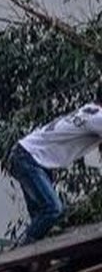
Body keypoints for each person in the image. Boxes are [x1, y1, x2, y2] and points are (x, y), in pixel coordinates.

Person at [7, 100, 102, 245]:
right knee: (52, 209)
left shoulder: (89, 110)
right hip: (30, 158)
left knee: (40, 220)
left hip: (28, 155)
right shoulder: (98, 118)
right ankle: (20, 254)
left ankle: (29, 256)